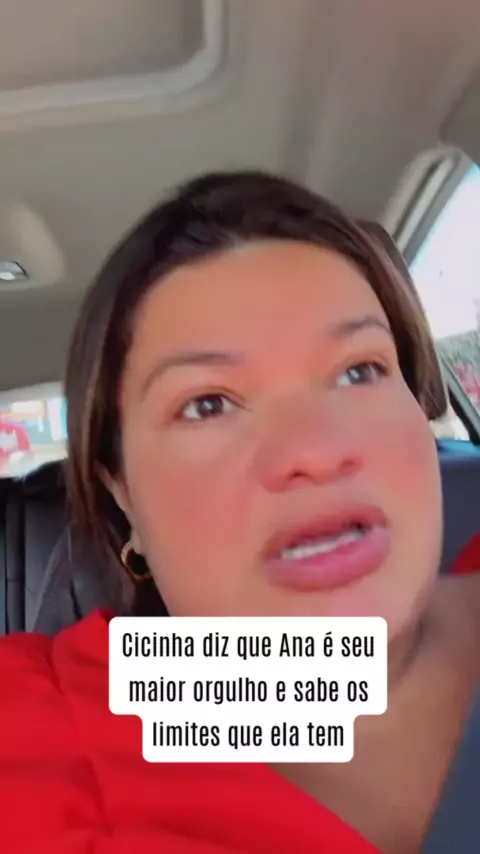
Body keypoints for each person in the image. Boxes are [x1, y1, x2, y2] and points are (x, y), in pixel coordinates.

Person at [0, 170, 479, 854]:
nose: (314, 450)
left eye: (359, 370)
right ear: (122, 492)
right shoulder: (34, 729)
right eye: (208, 404)